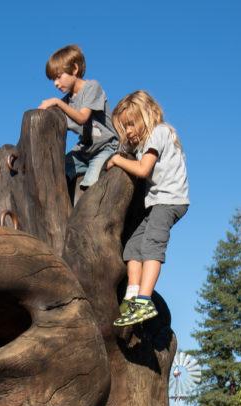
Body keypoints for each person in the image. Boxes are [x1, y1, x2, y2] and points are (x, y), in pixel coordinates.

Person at [107, 90, 190, 327]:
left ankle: (144, 300)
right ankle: (132, 296)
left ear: (146, 115)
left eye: (131, 124)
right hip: (156, 203)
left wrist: (116, 160)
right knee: (133, 246)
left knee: (152, 243)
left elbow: (143, 169)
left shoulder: (159, 132)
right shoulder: (146, 141)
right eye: (124, 127)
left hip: (170, 200)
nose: (129, 131)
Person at [38, 44, 119, 201]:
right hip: (85, 150)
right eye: (53, 79)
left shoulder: (92, 87)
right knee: (57, 170)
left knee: (90, 182)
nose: (55, 83)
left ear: (74, 69)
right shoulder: (66, 101)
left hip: (106, 147)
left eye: (58, 76)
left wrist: (56, 102)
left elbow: (82, 118)